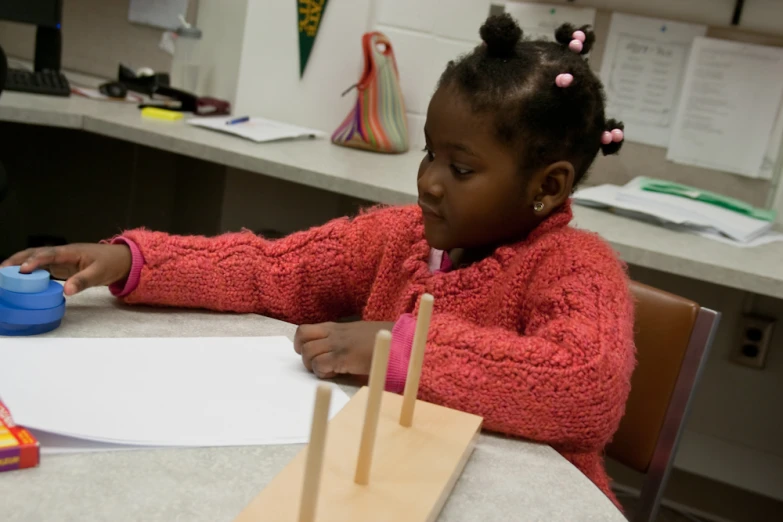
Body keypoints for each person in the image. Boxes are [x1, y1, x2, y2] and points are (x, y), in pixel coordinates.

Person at [2, 15, 635, 507]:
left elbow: (584, 387)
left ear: (547, 187)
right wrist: (132, 260)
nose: (430, 182)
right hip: (384, 482)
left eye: (462, 168)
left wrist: (396, 347)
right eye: (429, 154)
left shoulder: (575, 265)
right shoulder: (401, 237)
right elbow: (269, 268)